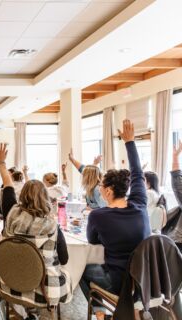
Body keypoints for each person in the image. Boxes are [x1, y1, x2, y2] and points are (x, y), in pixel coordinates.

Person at [80, 120, 150, 320]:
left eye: (101, 185)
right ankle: (129, 309)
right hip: (145, 277)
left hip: (118, 279)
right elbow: (137, 172)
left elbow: (93, 242)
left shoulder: (98, 216)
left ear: (108, 191)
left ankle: (101, 314)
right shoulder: (139, 202)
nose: (99, 188)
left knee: (82, 271)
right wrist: (130, 142)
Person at [0, 143, 72, 315]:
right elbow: (64, 259)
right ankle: (34, 311)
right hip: (45, 291)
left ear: (21, 195)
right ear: (46, 197)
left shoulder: (10, 213)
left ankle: (28, 312)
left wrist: (1, 162)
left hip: (10, 283)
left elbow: (7, 185)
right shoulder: (52, 226)